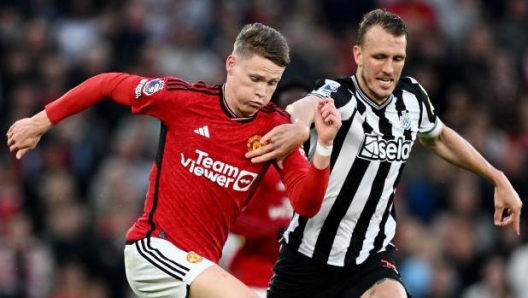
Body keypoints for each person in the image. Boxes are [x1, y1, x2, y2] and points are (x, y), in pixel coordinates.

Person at [6, 23, 342, 298]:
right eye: (255, 79)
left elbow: (306, 203)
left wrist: (323, 147)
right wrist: (40, 122)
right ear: (231, 64)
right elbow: (108, 84)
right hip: (155, 249)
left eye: (271, 83)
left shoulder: (275, 129)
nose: (262, 92)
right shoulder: (185, 101)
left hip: (199, 269)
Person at [245, 9, 523, 298]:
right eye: (379, 57)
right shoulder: (341, 95)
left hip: (370, 257)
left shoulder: (412, 98)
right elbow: (305, 106)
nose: (389, 69)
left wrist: (496, 177)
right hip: (308, 258)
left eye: (397, 58)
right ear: (358, 55)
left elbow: (438, 136)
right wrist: (299, 127)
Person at [225, 79, 312, 297]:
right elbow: (230, 218)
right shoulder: (258, 162)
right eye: (289, 109)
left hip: (306, 280)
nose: (297, 121)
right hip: (255, 277)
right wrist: (274, 231)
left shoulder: (325, 164)